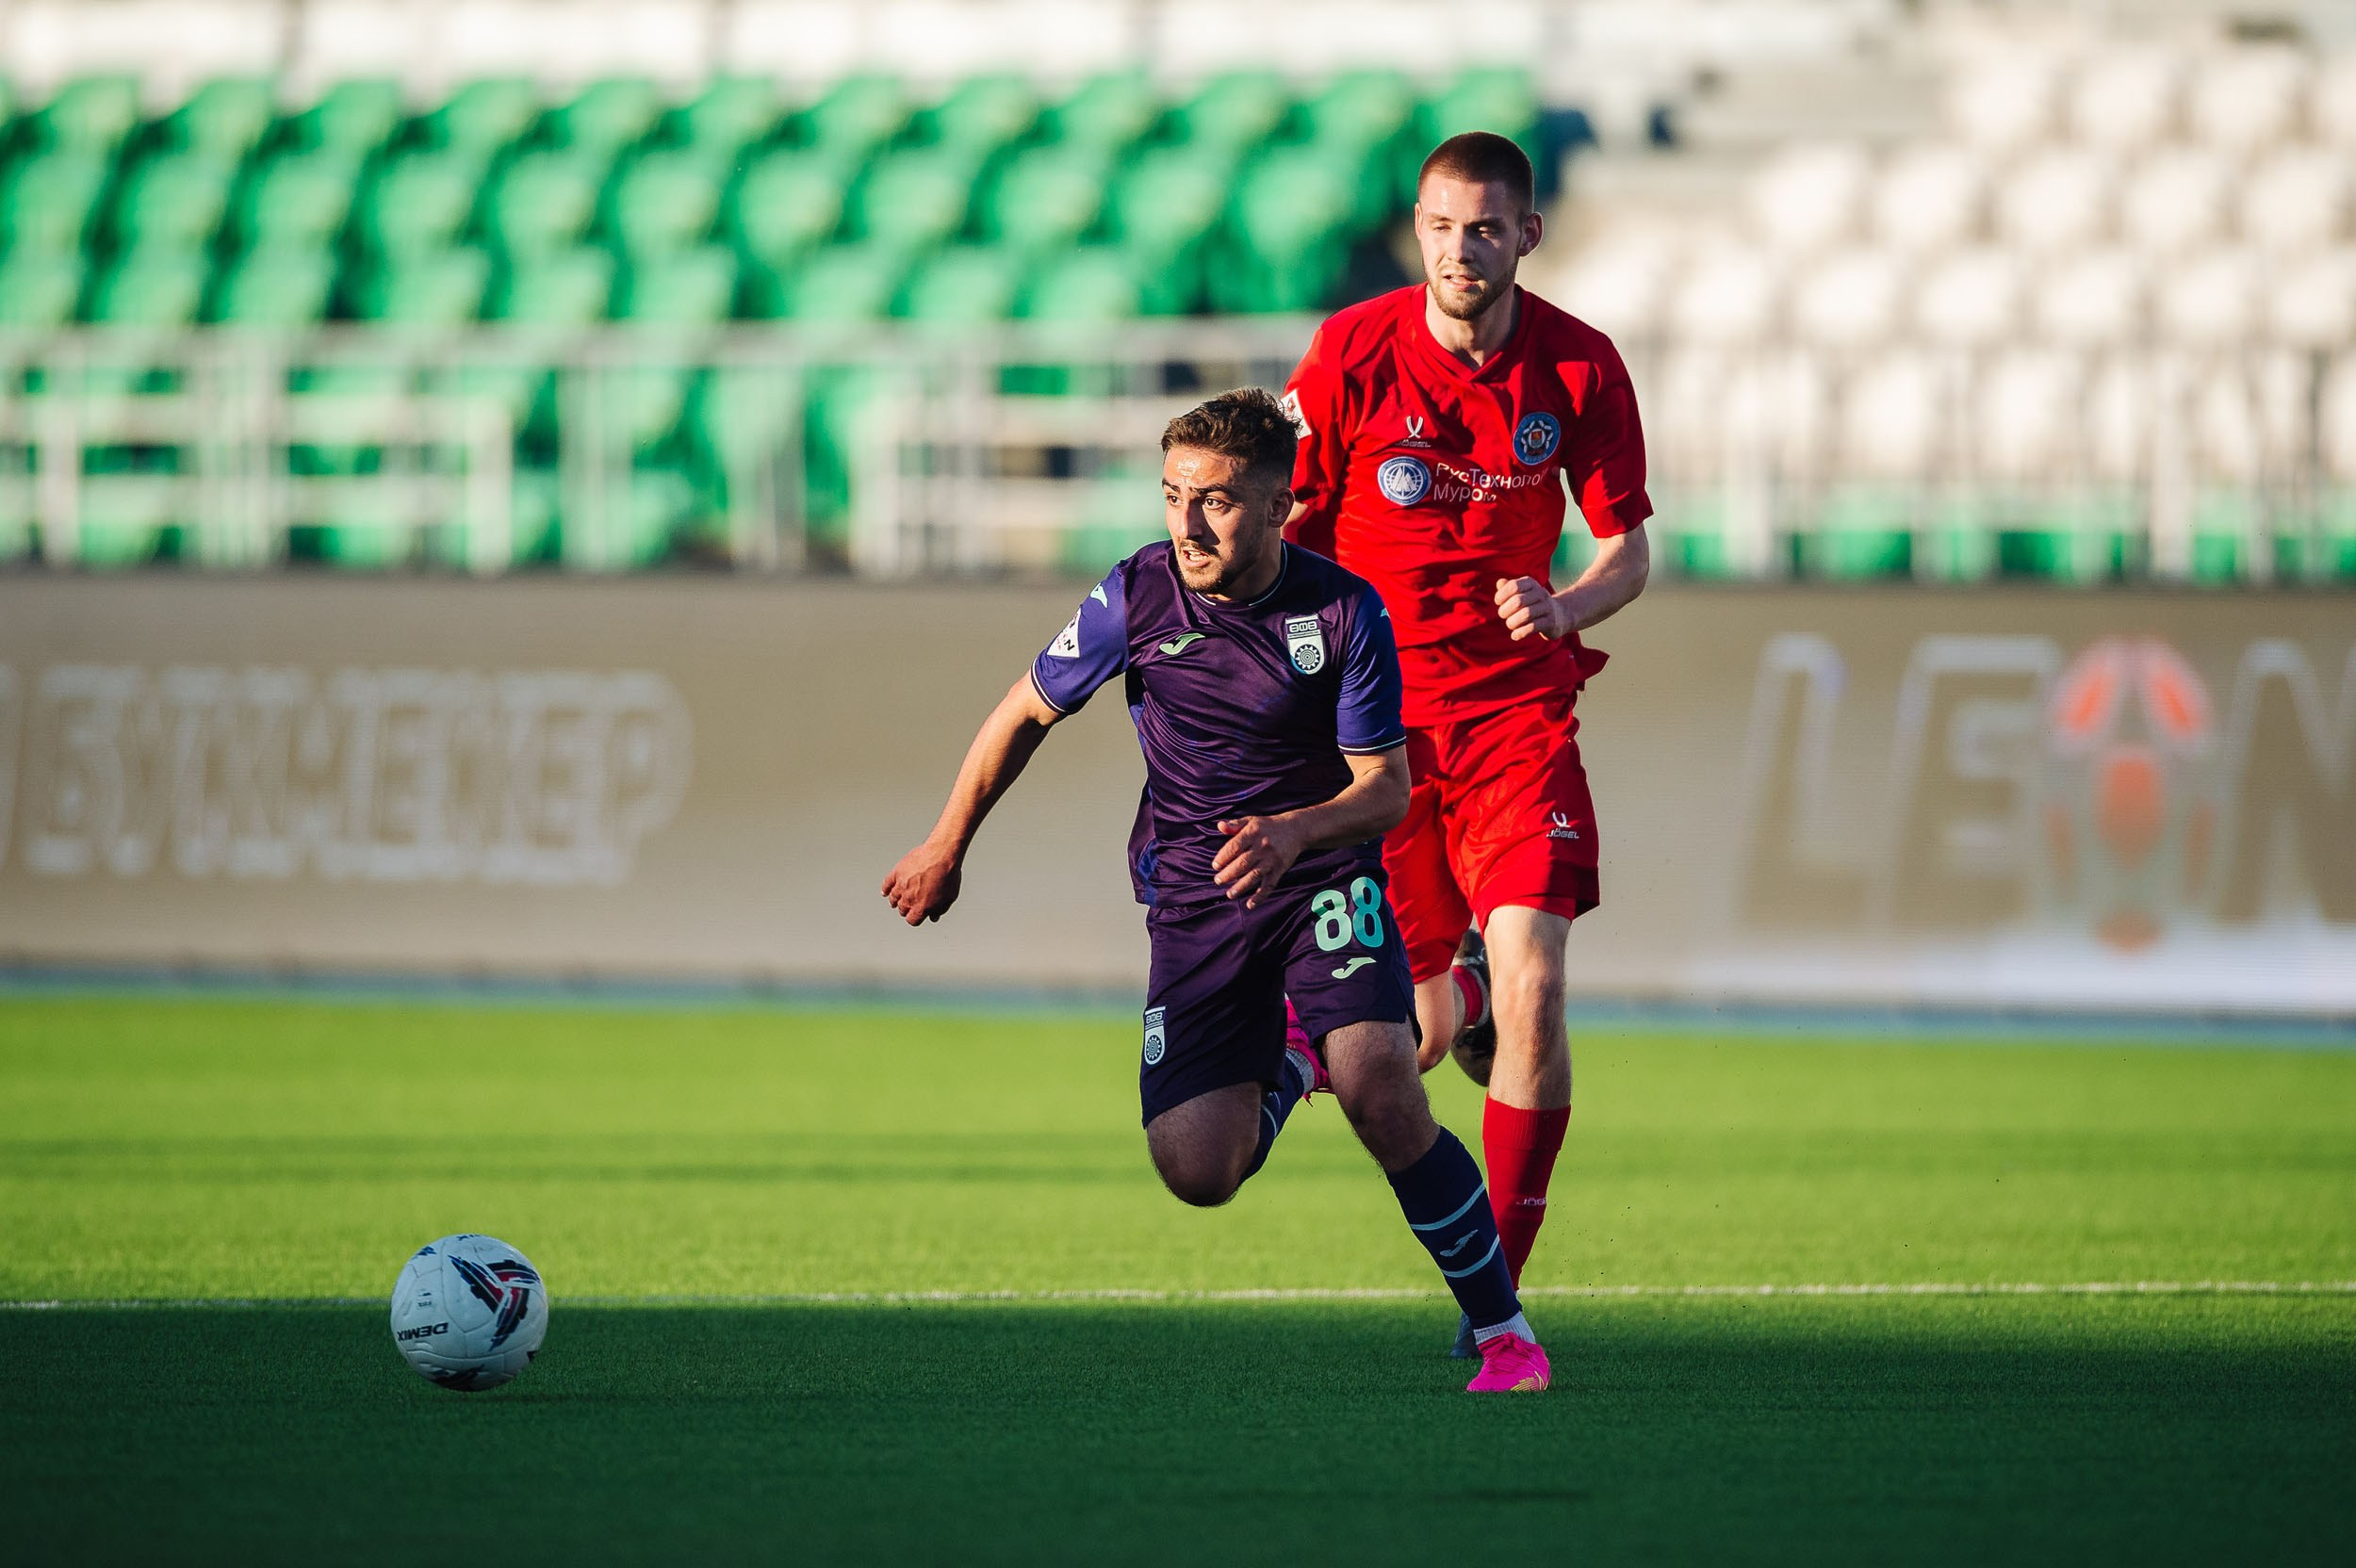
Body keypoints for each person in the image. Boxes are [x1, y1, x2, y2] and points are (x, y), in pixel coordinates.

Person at [883, 388, 1550, 1393]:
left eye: (1218, 501)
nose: (1188, 524)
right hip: (1195, 896)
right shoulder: (1133, 597)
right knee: (1199, 1170)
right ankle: (1289, 1057)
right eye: (1171, 496)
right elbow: (1024, 710)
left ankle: (1505, 1332)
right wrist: (947, 840)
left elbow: (1384, 790)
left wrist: (1294, 830)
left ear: (1281, 504)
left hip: (1320, 872)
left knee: (1381, 1082)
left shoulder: (1342, 609)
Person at [1281, 131, 1654, 1355]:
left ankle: (1496, 1305)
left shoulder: (1582, 370)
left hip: (1513, 717)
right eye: (1441, 227)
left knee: (1541, 989)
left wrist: (1564, 607)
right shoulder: (1349, 350)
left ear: (1525, 238)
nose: (1460, 249)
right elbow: (1286, 524)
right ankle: (1464, 996)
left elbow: (1627, 552)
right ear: (1419, 233)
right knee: (1410, 1043)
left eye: (1485, 228)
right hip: (1376, 739)